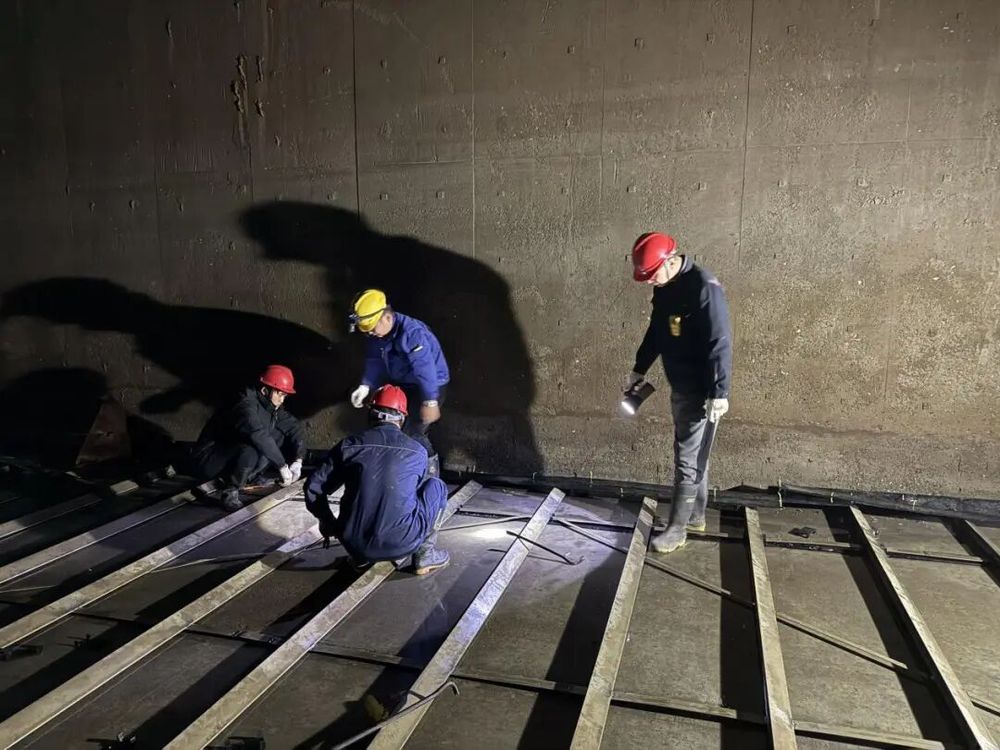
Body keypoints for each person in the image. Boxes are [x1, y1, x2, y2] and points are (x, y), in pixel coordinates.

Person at [625, 232, 732, 554]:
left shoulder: (703, 287)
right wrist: (639, 368)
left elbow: (719, 341)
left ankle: (676, 530)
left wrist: (719, 392)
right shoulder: (665, 287)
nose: (648, 281)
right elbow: (657, 329)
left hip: (701, 389)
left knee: (687, 458)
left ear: (670, 262)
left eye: (651, 274)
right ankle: (695, 516)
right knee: (696, 456)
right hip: (681, 384)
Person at [304, 384, 451, 575]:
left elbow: (313, 487)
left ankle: (362, 558)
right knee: (437, 486)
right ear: (402, 418)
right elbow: (416, 494)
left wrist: (327, 521)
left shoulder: (349, 446)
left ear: (371, 414)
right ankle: (425, 555)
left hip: (353, 543)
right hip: (403, 543)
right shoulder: (417, 451)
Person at [347, 289, 449, 475]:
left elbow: (425, 369)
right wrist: (365, 385)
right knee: (388, 424)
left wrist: (430, 401)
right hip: (404, 383)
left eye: (372, 328)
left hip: (430, 384)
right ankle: (400, 471)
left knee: (412, 431)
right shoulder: (376, 334)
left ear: (387, 318)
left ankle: (431, 475)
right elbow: (374, 359)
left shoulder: (412, 333)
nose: (371, 334)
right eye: (367, 331)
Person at [189, 365, 304, 511]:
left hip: (231, 456)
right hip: (209, 458)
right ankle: (231, 492)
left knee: (278, 434)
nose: (282, 400)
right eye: (280, 394)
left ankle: (251, 477)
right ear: (265, 391)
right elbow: (257, 433)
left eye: (285, 396)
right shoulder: (244, 405)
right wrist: (281, 465)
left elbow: (294, 427)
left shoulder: (270, 407)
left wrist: (298, 460)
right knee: (253, 446)